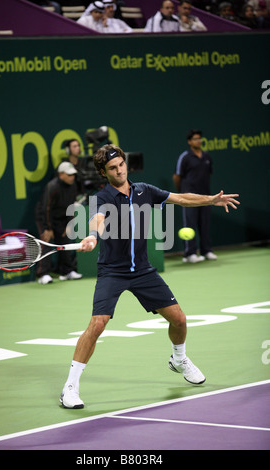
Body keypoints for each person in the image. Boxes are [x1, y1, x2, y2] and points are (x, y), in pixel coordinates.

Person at [59, 144, 240, 409]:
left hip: (143, 271)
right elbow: (97, 219)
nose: (119, 171)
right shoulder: (103, 198)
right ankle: (70, 387)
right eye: (112, 168)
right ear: (103, 172)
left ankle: (178, 360)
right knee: (98, 323)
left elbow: (180, 198)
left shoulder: (144, 190)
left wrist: (210, 200)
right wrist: (93, 236)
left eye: (121, 164)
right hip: (113, 271)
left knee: (179, 319)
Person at [173, 129, 218, 263]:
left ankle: (206, 251)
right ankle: (189, 253)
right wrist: (182, 192)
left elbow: (207, 175)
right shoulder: (185, 157)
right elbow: (177, 176)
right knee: (189, 225)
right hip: (189, 198)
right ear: (189, 141)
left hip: (205, 197)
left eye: (200, 138)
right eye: (195, 138)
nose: (199, 141)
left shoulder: (207, 157)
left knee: (205, 224)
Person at [35, 161, 82, 284]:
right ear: (61, 174)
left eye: (73, 175)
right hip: (44, 218)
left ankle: (67, 271)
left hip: (61, 217)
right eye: (69, 175)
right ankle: (43, 274)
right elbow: (46, 208)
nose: (72, 177)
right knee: (46, 242)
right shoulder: (52, 186)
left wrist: (69, 224)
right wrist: (48, 228)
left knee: (64, 242)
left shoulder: (73, 186)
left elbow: (71, 206)